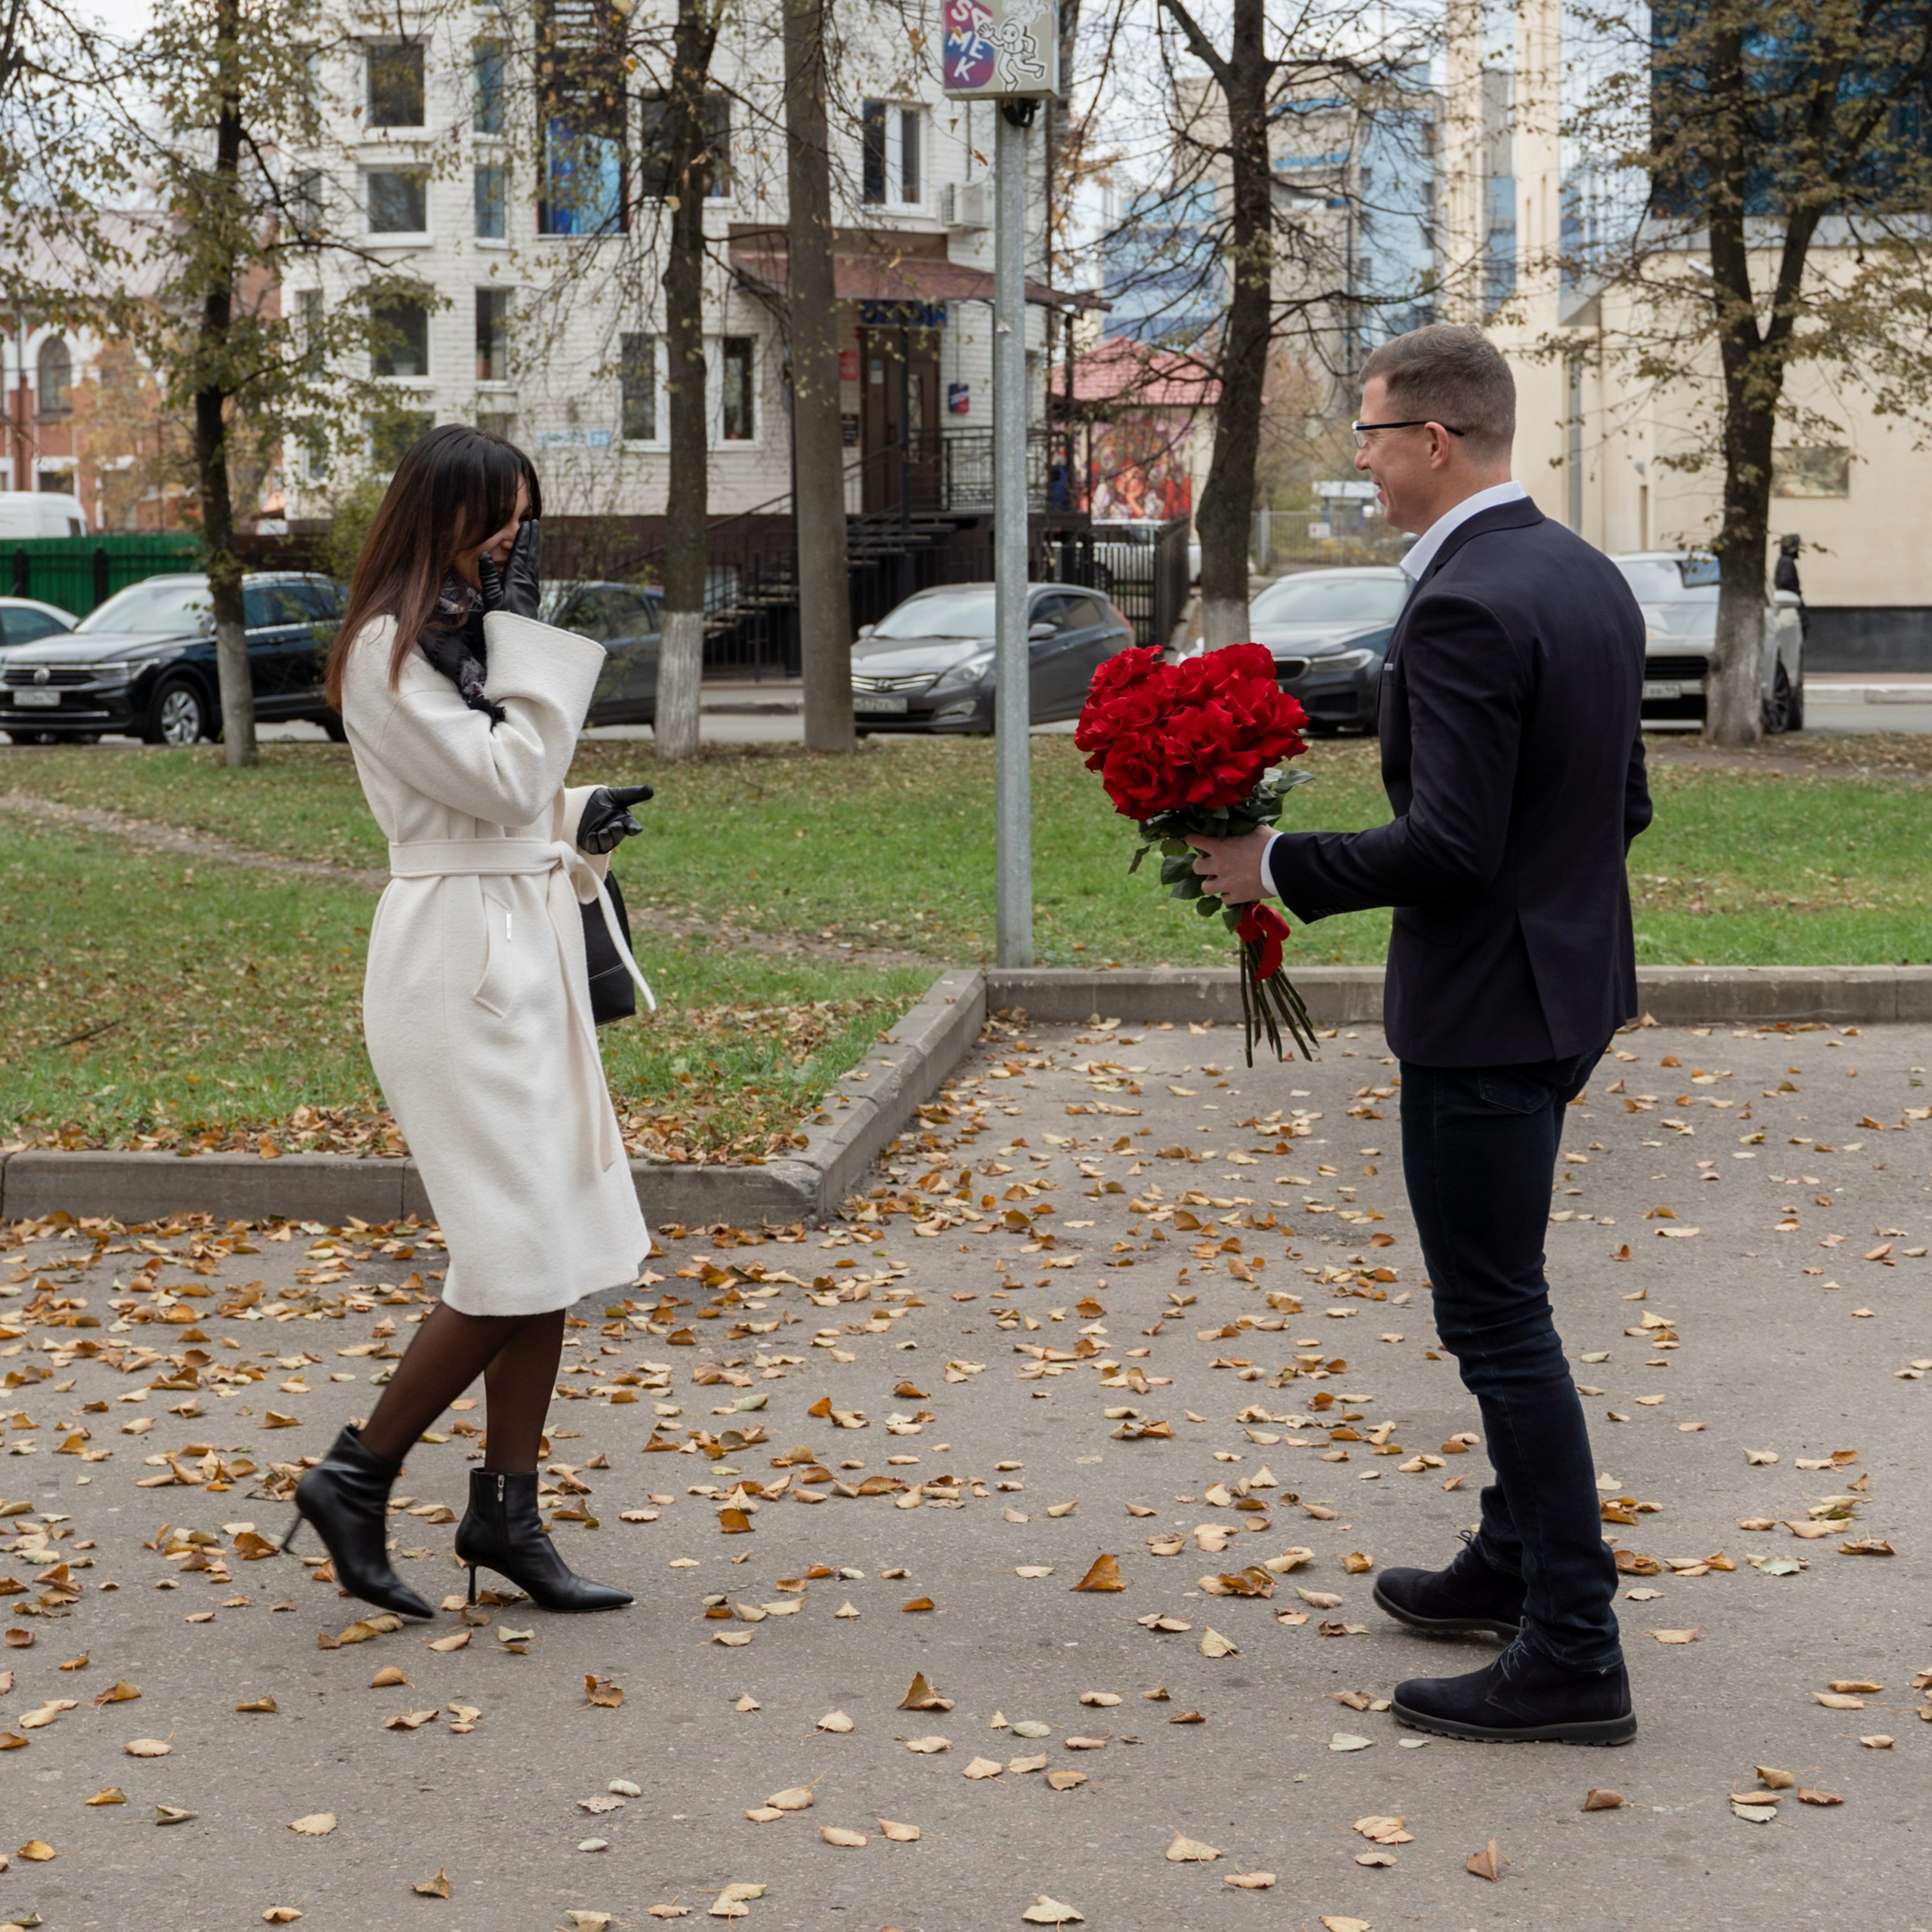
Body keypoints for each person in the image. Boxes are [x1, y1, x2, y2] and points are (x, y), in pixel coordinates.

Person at [1187, 324, 1651, 1746]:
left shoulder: (1462, 601)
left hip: (1489, 1012)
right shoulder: (1581, 575)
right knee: (1508, 1301)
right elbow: (1620, 800)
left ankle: (1573, 1649)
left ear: (1436, 442)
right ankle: (1513, 1562)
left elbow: (1449, 843)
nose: (1366, 464)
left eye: (1375, 438)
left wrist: (1273, 867)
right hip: (1567, 986)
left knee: (1498, 1321)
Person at [288, 424, 656, 1619]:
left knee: (550, 1237)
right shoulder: (385, 658)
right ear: (436, 515)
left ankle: (509, 1514)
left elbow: (516, 796)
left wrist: (581, 820)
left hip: (515, 941)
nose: (511, 538)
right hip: (453, 967)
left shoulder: (450, 642)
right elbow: (497, 785)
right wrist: (534, 648)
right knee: (508, 1251)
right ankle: (357, 1476)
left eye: (522, 517)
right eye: (497, 517)